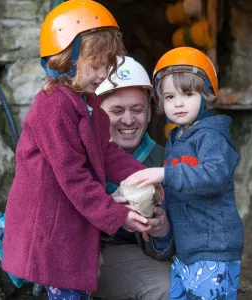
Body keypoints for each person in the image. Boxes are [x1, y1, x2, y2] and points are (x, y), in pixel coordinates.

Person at [2, 1, 154, 300]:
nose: (103, 74)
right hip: (50, 231)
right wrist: (117, 215)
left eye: (107, 65)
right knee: (69, 294)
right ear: (66, 59)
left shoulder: (88, 102)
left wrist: (144, 176)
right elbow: (73, 176)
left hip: (66, 227)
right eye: (95, 65)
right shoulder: (53, 106)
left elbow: (105, 153)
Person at [126, 47, 244, 299]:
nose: (178, 103)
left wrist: (165, 174)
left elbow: (215, 176)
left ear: (208, 94)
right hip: (187, 250)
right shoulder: (177, 138)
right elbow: (178, 185)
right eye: (169, 97)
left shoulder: (211, 135)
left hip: (214, 249)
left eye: (188, 94)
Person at [94, 56, 174, 300]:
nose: (128, 120)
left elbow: (175, 245)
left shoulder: (166, 162)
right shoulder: (80, 156)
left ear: (149, 112)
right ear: (96, 114)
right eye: (116, 111)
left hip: (131, 255)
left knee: (170, 286)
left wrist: (162, 232)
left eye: (137, 109)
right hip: (84, 251)